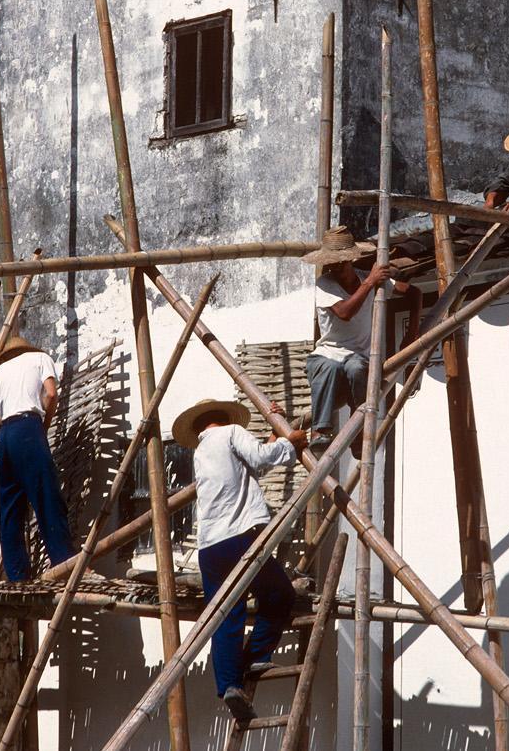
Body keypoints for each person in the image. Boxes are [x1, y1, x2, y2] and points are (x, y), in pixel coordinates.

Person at [172, 396, 307, 725]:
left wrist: (278, 434)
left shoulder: (201, 453)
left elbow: (248, 464)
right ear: (224, 418)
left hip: (210, 549)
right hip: (240, 537)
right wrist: (292, 444)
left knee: (224, 616)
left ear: (201, 426)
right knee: (280, 594)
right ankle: (257, 655)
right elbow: (261, 459)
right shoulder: (231, 432)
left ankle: (230, 684)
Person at [302, 226, 422, 457]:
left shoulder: (369, 280)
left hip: (359, 360)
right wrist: (369, 283)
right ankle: (320, 431)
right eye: (332, 264)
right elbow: (346, 312)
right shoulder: (325, 284)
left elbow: (414, 293)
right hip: (328, 356)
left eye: (341, 263)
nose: (335, 268)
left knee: (356, 367)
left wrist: (412, 331)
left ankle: (359, 431)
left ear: (351, 260)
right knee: (329, 366)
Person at [0, 334, 76, 582]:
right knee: (48, 498)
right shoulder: (40, 358)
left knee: (10, 508)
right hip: (29, 428)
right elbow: (51, 395)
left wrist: (6, 426)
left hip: (6, 436)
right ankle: (64, 564)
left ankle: (17, 575)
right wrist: (43, 426)